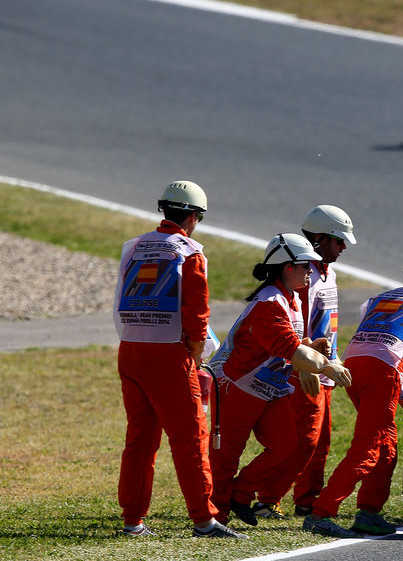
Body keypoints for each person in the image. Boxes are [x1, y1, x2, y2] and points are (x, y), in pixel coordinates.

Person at [303, 243, 403, 538]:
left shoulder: (381, 297)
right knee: (368, 448)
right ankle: (321, 513)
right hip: (382, 373)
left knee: (386, 444)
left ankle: (369, 512)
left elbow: (387, 352)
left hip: (354, 366)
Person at [114, 180, 246, 539]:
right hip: (169, 354)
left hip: (130, 349)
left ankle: (132, 520)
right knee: (190, 438)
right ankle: (204, 520)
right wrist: (195, 350)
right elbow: (197, 313)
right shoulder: (189, 252)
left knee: (139, 440)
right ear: (193, 216)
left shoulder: (134, 246)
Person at [207, 233, 352, 527]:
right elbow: (290, 349)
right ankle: (214, 519)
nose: (311, 271)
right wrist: (326, 366)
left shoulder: (289, 299)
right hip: (235, 387)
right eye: (306, 266)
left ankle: (240, 494)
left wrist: (313, 347)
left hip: (266, 388)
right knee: (226, 458)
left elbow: (292, 344)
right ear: (288, 268)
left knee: (287, 446)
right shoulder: (270, 304)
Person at [250, 205, 356, 520]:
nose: (344, 248)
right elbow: (294, 326)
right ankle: (267, 498)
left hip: (323, 368)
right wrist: (302, 366)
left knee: (320, 442)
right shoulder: (304, 275)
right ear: (321, 239)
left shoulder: (328, 272)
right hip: (305, 370)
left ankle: (306, 500)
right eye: (339, 241)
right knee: (303, 441)